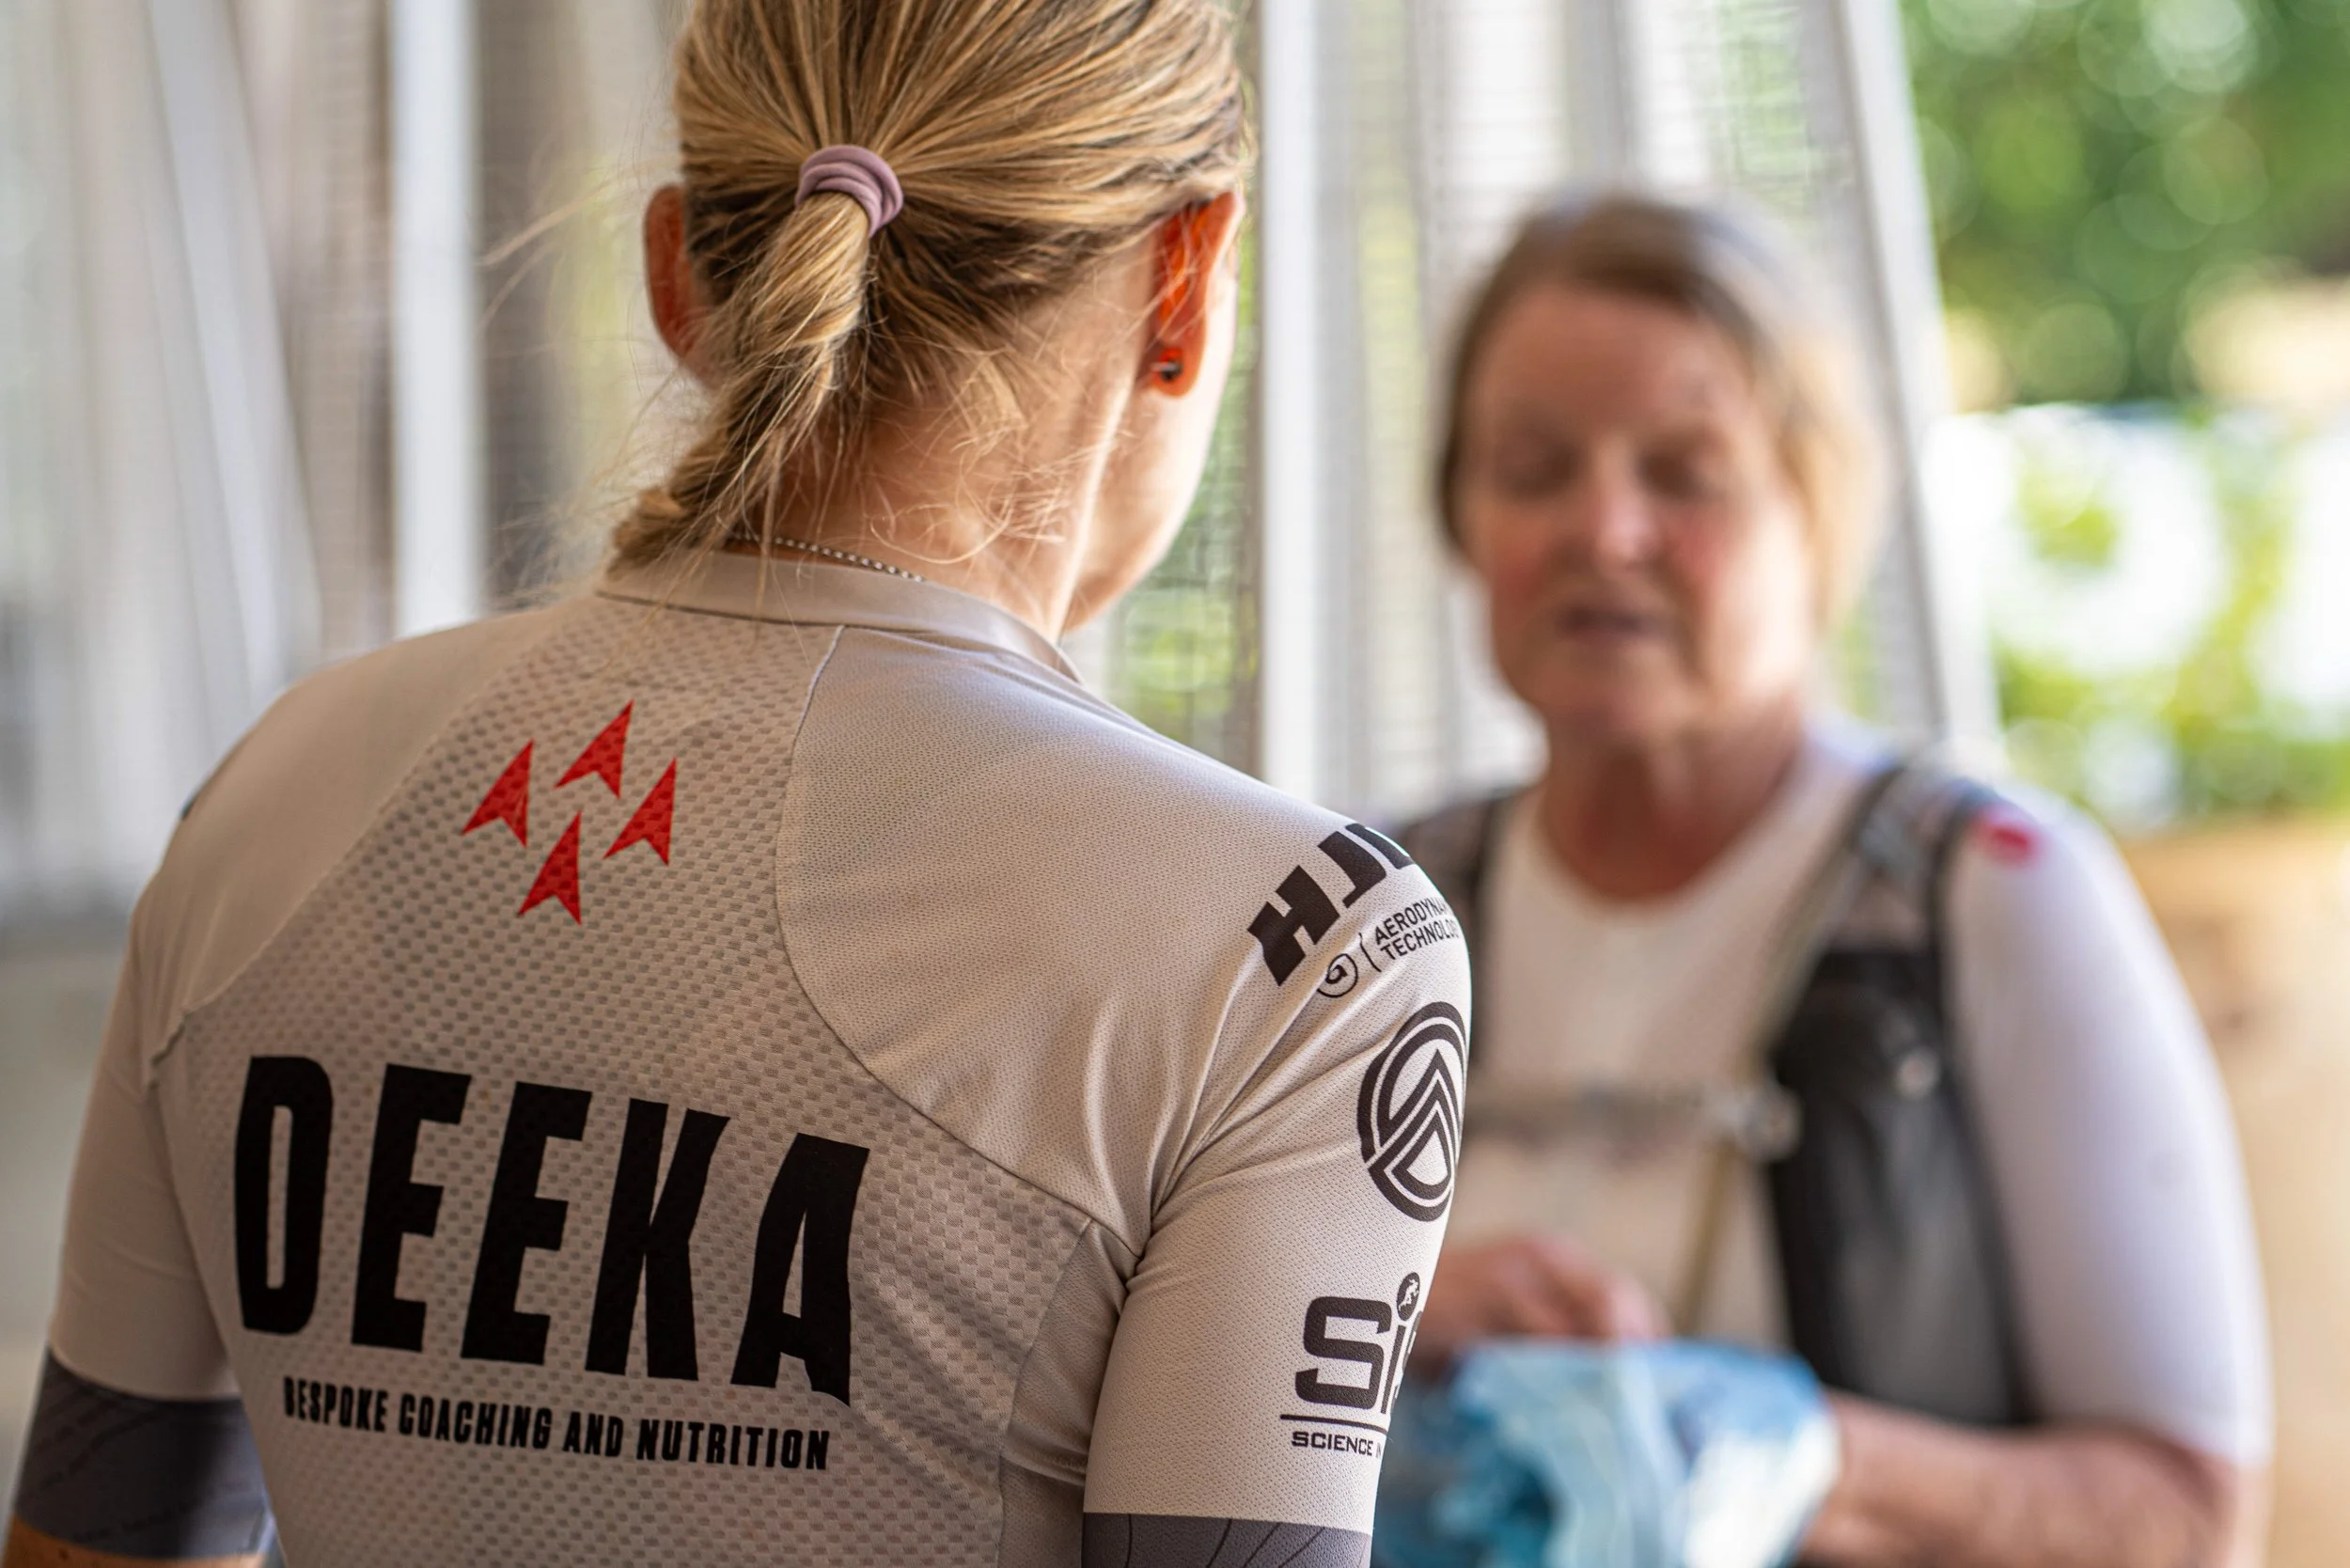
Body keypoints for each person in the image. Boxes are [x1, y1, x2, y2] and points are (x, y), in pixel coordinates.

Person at [4, 4, 1469, 1565]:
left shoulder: (270, 794)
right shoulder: (1300, 952)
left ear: (676, 273)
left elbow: (89, 1545)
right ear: (1184, 282)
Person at [1391, 192, 2270, 1566]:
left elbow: (2186, 1515)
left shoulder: (1991, 893)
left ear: (1821, 512)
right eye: (1531, 467)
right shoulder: (1379, 909)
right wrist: (1399, 1315)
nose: (1602, 530)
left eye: (1684, 472)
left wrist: (1803, 1463)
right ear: (1459, 517)